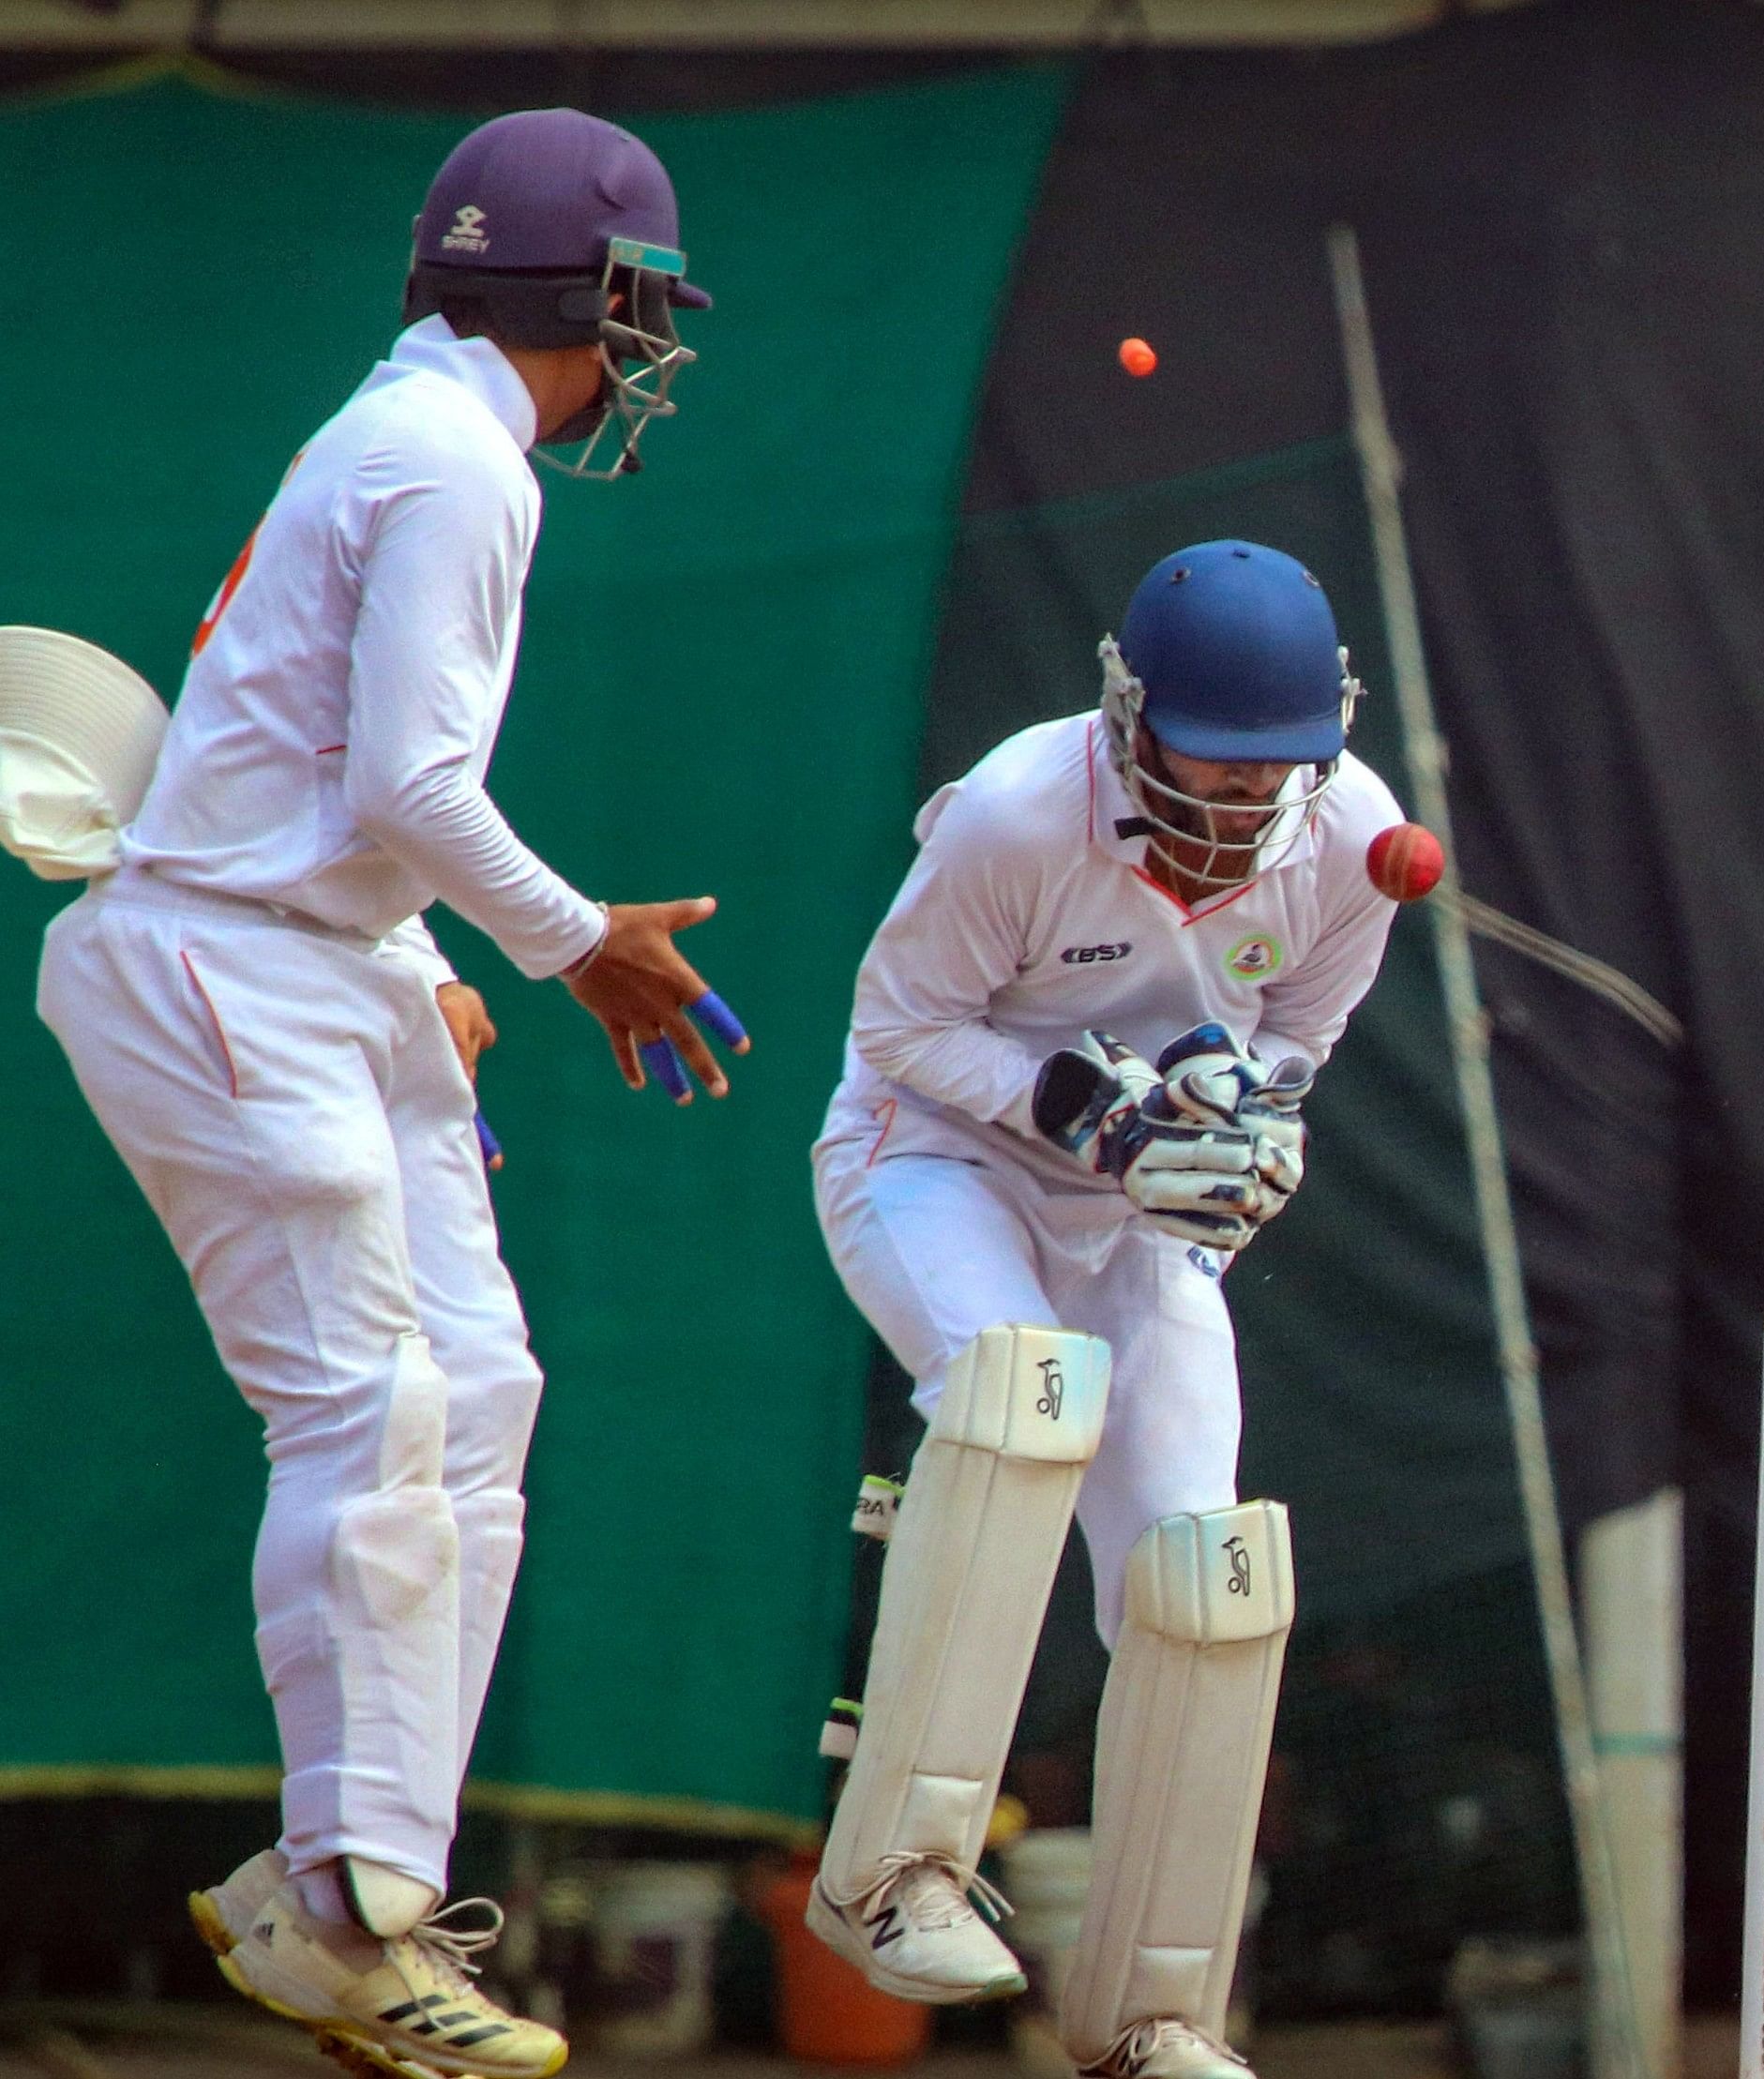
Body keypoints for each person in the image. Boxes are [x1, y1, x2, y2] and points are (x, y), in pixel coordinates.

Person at [26, 109, 733, 2079]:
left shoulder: (406, 428)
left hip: (320, 953)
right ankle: (346, 1904)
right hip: (221, 961)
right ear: (587, 301)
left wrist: (421, 959)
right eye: (638, 313)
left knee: (481, 1392)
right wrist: (571, 935)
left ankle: (350, 1895)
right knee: (370, 1402)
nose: (643, 356)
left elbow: (308, 744)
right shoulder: (452, 460)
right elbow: (408, 786)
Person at [805, 539, 1404, 2079]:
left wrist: (1246, 1138)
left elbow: (1295, 1043)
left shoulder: (1354, 838)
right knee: (1024, 1396)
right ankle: (893, 1873)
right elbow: (900, 1027)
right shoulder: (1019, 812)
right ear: (1128, 716)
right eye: (1201, 766)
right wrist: (1085, 1112)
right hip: (932, 1162)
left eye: (1267, 773)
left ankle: (1157, 2009)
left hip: (1128, 1211)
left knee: (1198, 1556)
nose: (1229, 811)